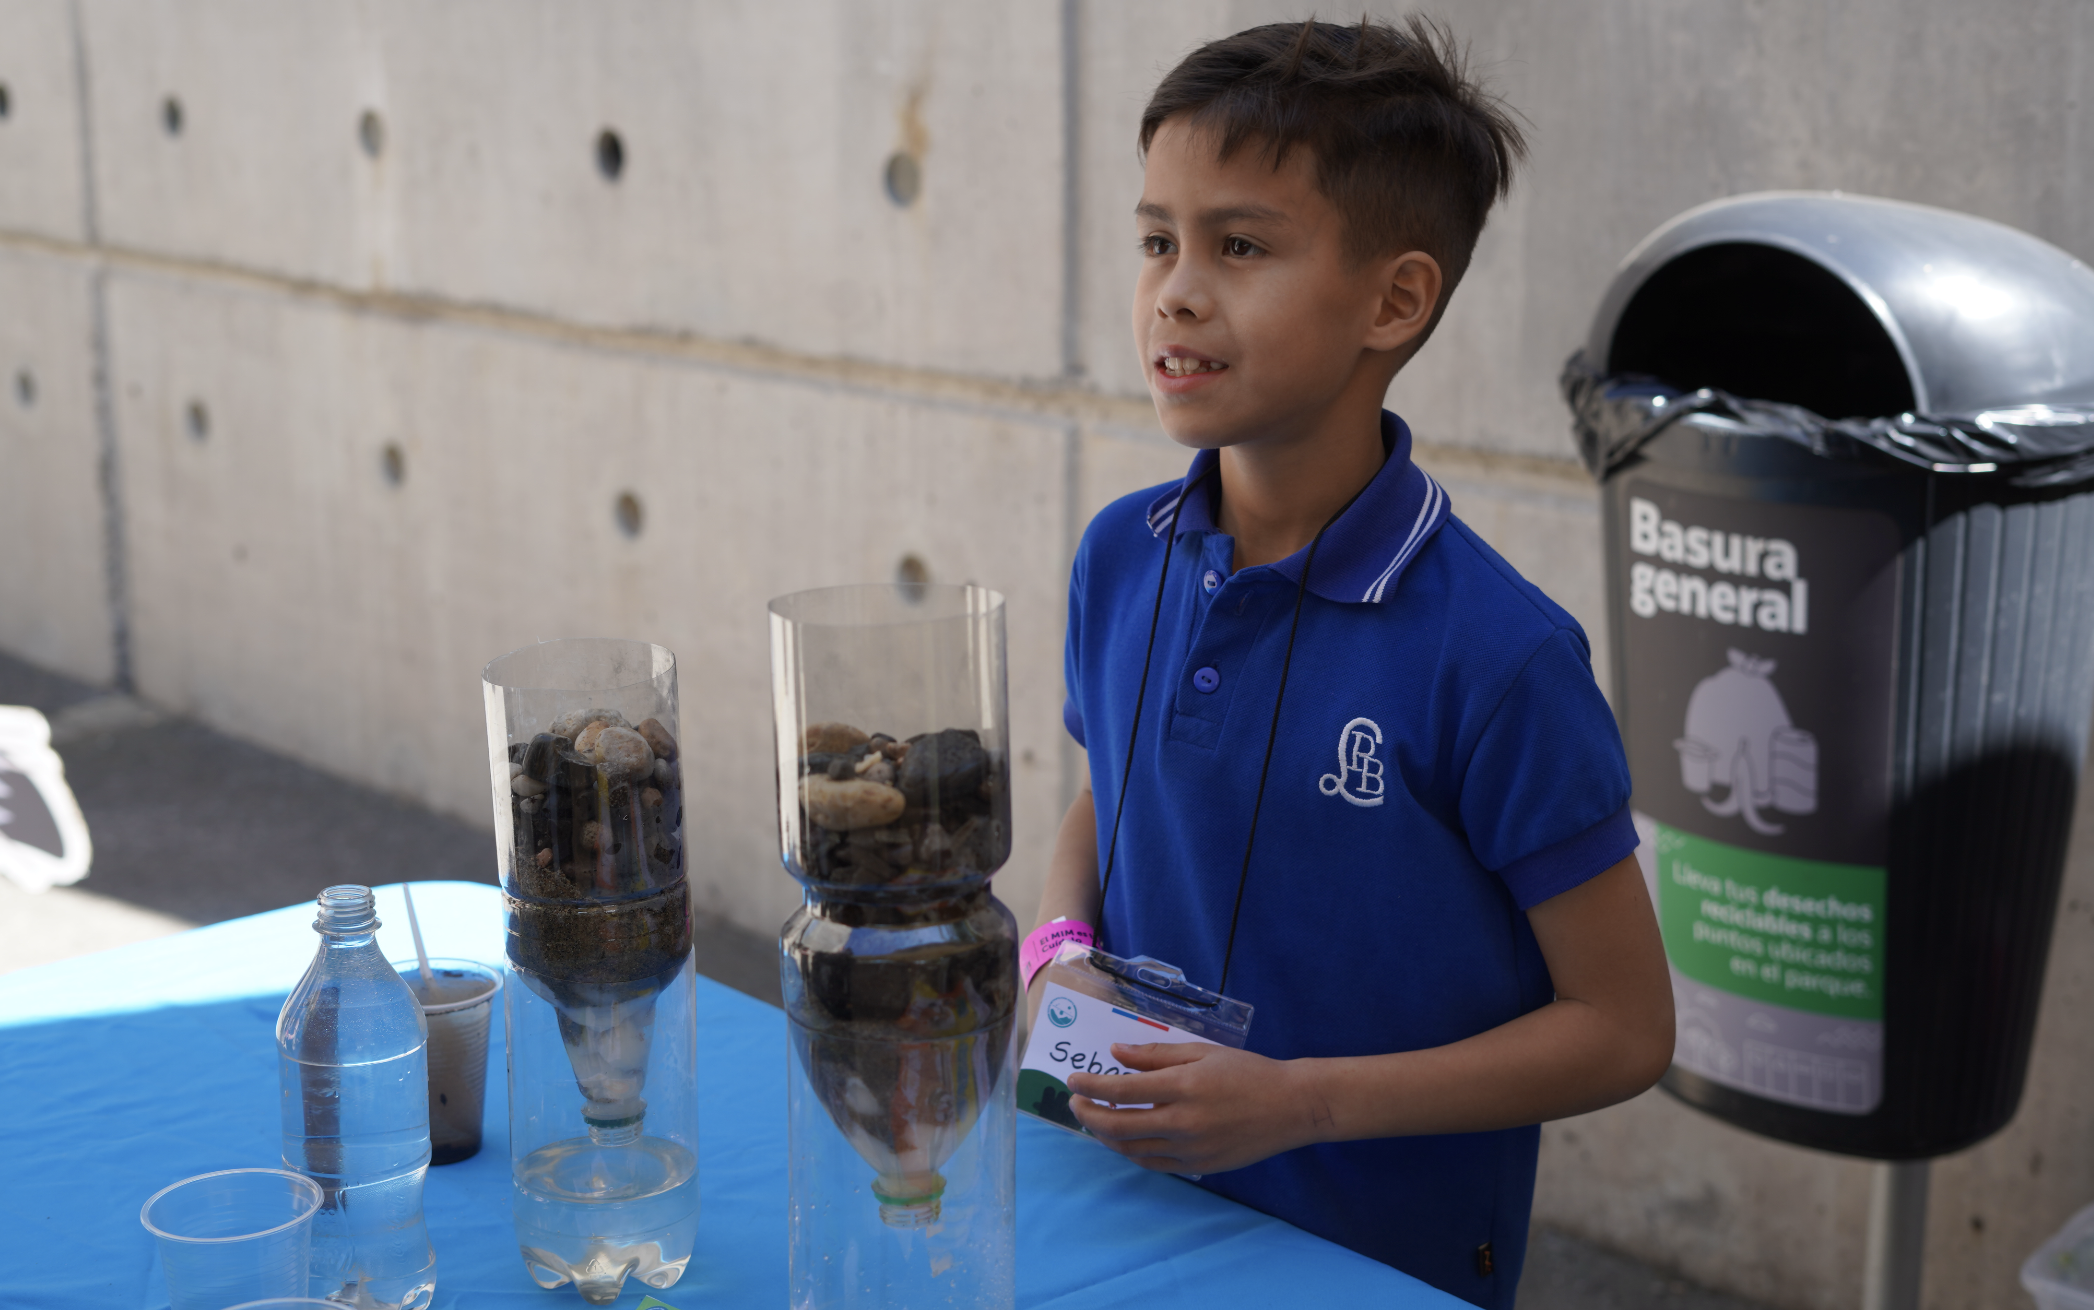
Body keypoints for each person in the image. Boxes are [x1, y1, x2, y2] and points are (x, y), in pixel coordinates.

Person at [1025, 18, 1674, 1307]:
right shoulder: (1117, 556)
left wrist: (1296, 1106)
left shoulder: (1500, 657)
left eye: (1241, 245)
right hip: (1112, 1201)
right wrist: (1058, 944)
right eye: (1159, 238)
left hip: (1373, 1259)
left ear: (1397, 299)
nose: (1176, 291)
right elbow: (1115, 790)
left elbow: (1623, 1027)